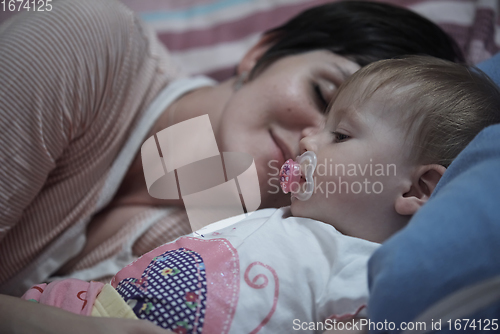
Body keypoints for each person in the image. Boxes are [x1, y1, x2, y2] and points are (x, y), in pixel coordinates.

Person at [0, 0, 465, 332]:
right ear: (259, 54)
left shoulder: (234, 238)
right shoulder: (87, 40)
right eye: (322, 95)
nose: (312, 142)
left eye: (346, 138)